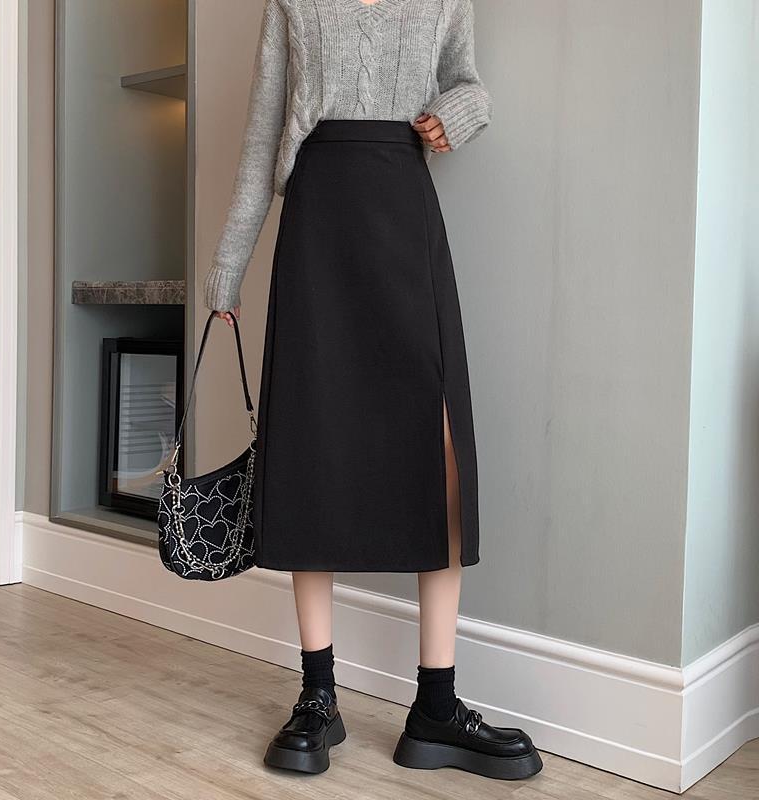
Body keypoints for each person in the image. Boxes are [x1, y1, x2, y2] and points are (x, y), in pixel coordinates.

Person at [203, 0, 542, 781]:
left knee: (436, 456)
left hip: (404, 223)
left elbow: (469, 83)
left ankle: (436, 707)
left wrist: (458, 112)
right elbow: (263, 134)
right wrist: (229, 263)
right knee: (312, 451)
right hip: (316, 232)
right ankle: (317, 697)